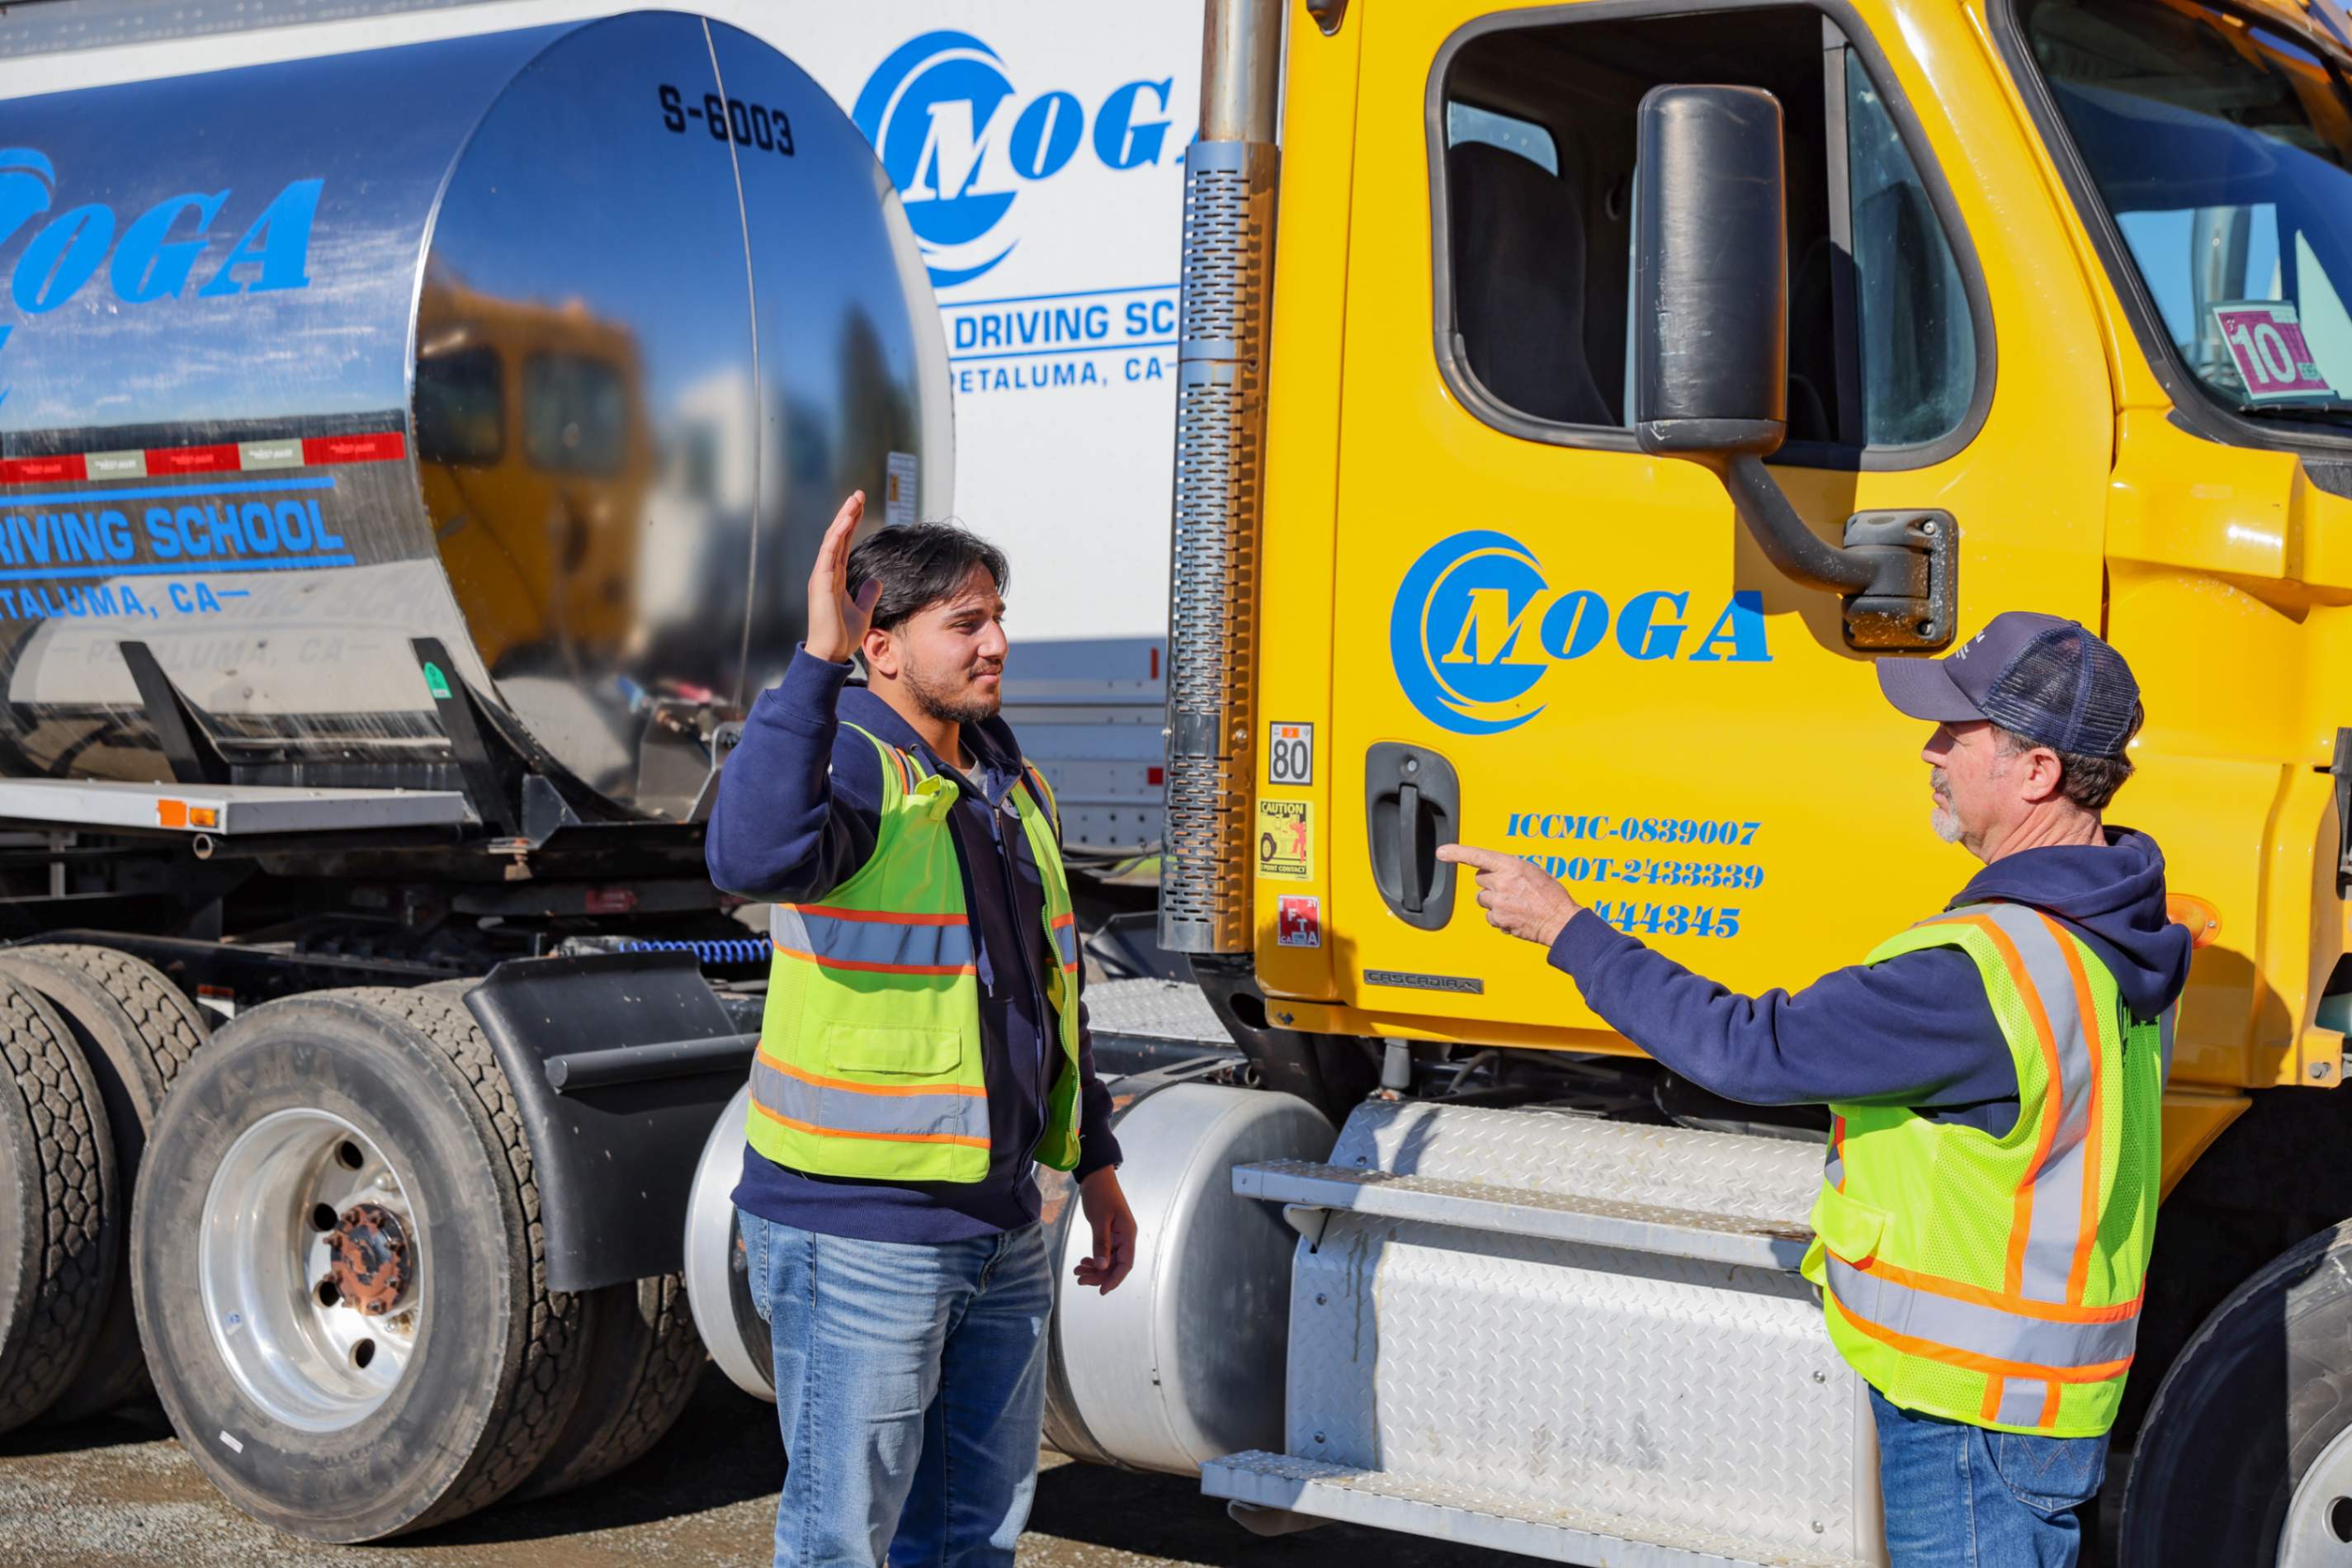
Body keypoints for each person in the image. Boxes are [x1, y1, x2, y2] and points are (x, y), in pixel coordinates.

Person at [1439, 612, 2188, 1568]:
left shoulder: (1980, 970)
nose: (1930, 751)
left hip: (1970, 1407)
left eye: (1955, 734)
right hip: (2034, 1393)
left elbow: (1748, 1050)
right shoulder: (2115, 929)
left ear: (2037, 770)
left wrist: (1566, 928)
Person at [706, 492, 1137, 1568]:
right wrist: (815, 664)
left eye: (998, 618)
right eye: (965, 623)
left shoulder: (1003, 780)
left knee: (969, 1537)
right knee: (841, 1543)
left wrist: (1093, 1166)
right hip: (863, 1231)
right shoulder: (854, 761)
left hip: (998, 1223)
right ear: (882, 646)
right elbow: (749, 858)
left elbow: (1048, 996)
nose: (996, 644)